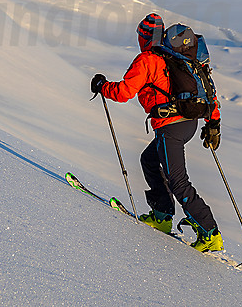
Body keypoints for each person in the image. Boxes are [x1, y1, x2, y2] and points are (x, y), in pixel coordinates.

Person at [90, 13, 224, 252]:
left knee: (178, 181)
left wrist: (102, 86)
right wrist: (213, 123)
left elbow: (123, 92)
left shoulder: (148, 59)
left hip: (170, 127)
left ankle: (210, 232)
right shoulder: (174, 58)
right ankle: (162, 215)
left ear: (144, 37)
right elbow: (208, 89)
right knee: (149, 160)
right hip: (189, 122)